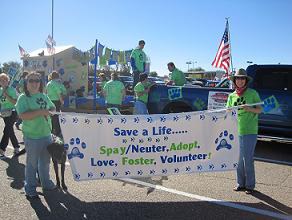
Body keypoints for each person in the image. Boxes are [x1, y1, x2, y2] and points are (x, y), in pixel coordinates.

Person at [15, 72, 56, 199]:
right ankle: (30, 188)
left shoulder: (43, 95)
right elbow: (23, 115)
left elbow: (52, 107)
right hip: (32, 137)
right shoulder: (23, 98)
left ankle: (46, 183)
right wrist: (41, 112)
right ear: (26, 83)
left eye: (37, 81)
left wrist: (52, 111)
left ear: (40, 83)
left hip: (46, 135)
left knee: (45, 162)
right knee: (32, 164)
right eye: (31, 81)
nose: (34, 83)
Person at [226, 68, 262, 195]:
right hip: (236, 132)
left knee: (248, 158)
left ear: (245, 80)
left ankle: (250, 185)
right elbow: (228, 111)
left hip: (249, 131)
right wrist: (229, 111)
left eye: (242, 78)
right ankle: (240, 183)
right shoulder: (231, 96)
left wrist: (249, 109)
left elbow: (260, 110)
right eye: (238, 78)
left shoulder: (252, 93)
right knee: (238, 159)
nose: (240, 80)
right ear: (234, 81)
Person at [0, 73, 21, 157]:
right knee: (9, 130)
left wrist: (7, 96)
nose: (3, 81)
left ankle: (2, 148)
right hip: (5, 113)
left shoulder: (12, 90)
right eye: (1, 80)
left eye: (5, 80)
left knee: (7, 129)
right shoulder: (0, 90)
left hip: (12, 112)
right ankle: (16, 147)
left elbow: (16, 102)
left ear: (8, 81)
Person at [46, 71, 66, 137]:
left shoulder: (49, 83)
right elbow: (60, 93)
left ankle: (52, 131)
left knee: (52, 117)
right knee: (56, 117)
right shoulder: (57, 83)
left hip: (50, 101)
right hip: (56, 102)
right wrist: (62, 102)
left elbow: (46, 93)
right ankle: (57, 132)